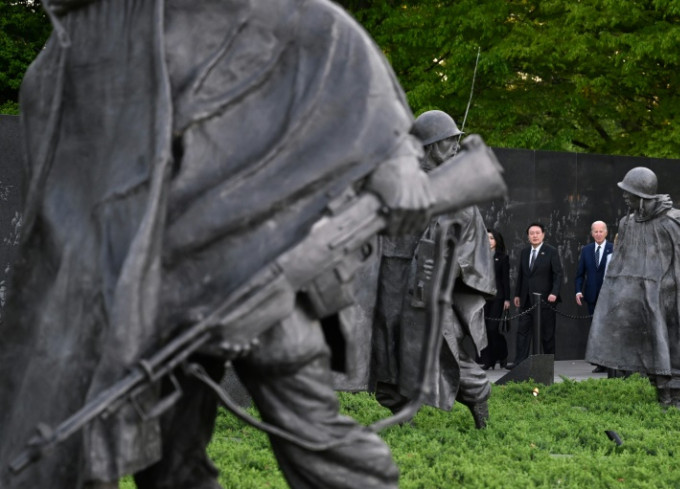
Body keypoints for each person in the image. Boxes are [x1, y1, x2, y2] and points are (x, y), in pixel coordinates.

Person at [0, 2, 440, 488]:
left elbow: (339, 45)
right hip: (156, 290)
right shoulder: (70, 56)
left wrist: (397, 157)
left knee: (321, 449)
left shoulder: (270, 13)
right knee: (169, 465)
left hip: (269, 261)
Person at [372, 110, 495, 429]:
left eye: (457, 139)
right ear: (427, 147)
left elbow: (470, 241)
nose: (456, 145)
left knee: (444, 344)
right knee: (389, 348)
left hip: (431, 283)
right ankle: (400, 417)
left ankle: (479, 404)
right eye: (448, 141)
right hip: (391, 277)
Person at [586, 167, 680, 410]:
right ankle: (662, 394)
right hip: (643, 300)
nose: (624, 195)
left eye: (629, 192)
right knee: (654, 349)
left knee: (678, 345)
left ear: (643, 195)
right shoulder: (627, 224)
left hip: (675, 296)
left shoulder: (679, 221)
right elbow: (620, 264)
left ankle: (676, 397)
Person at [511, 222, 563, 366]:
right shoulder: (524, 252)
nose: (534, 236)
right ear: (528, 236)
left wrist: (554, 292)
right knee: (522, 332)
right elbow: (521, 275)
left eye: (537, 233)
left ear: (543, 235)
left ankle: (547, 364)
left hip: (546, 300)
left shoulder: (551, 251)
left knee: (547, 334)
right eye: (531, 233)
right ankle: (519, 362)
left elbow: (557, 274)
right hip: (526, 299)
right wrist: (517, 294)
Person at [574, 220, 613, 373]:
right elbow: (580, 275)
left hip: (609, 297)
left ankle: (611, 362)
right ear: (591, 233)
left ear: (606, 232)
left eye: (601, 231)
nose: (598, 234)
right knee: (596, 330)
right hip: (591, 296)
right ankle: (600, 362)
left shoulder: (614, 248)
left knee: (609, 329)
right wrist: (578, 291)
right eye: (595, 231)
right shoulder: (586, 250)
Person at [478, 230, 510, 370]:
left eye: (491, 238)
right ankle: (487, 360)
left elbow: (505, 280)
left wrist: (507, 299)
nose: (489, 240)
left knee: (492, 328)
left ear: (497, 240)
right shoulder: (478, 257)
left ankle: (502, 353)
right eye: (487, 238)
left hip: (498, 297)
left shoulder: (502, 257)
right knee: (483, 330)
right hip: (482, 298)